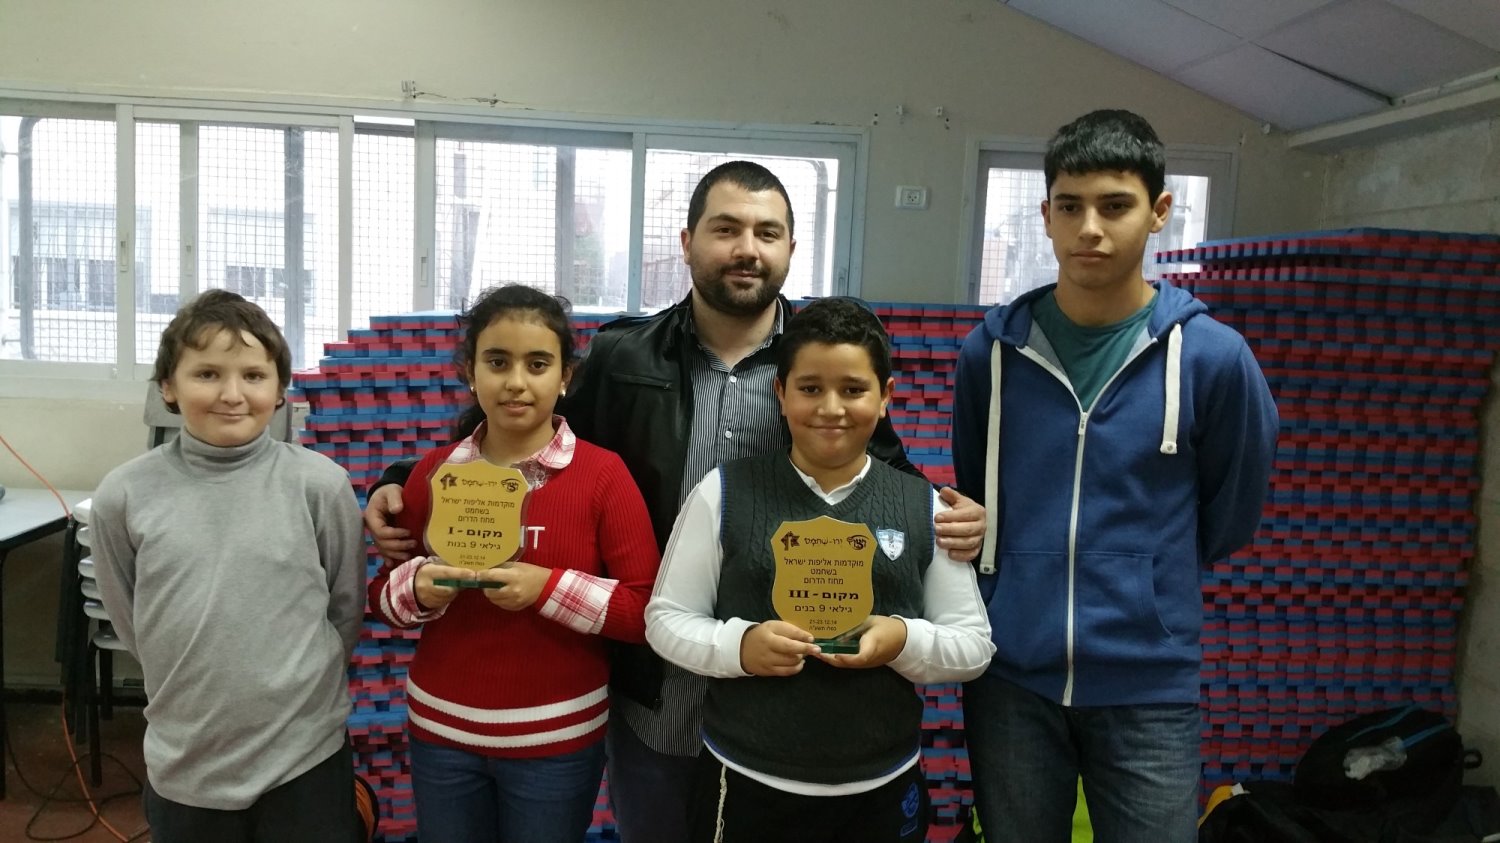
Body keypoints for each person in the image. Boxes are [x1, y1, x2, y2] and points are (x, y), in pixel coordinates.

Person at [364, 160, 988, 842]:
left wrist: (951, 513)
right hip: (658, 681)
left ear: (790, 248)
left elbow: (884, 471)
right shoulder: (622, 357)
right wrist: (403, 476)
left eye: (766, 232)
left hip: (782, 687)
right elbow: (524, 435)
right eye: (726, 229)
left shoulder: (821, 365)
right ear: (688, 242)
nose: (747, 248)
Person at [951, 109, 1279, 843]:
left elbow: (1231, 510)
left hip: (1148, 684)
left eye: (1115, 205)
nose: (1090, 229)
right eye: (1070, 207)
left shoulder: (1214, 358)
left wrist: (1148, 580)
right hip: (1012, 679)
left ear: (1159, 211)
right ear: (1046, 215)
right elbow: (980, 489)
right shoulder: (992, 355)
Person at [646, 297, 994, 842]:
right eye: (810, 388)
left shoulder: (922, 506)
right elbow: (666, 619)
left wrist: (902, 640)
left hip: (881, 784)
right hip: (747, 779)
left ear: (886, 397)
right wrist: (741, 647)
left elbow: (973, 646)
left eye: (853, 390)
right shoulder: (724, 492)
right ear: (780, 393)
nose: (831, 408)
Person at [365, 284, 660, 842]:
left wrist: (545, 589)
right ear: (470, 372)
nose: (516, 382)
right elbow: (383, 600)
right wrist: (418, 587)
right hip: (441, 736)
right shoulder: (432, 474)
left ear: (566, 376)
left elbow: (644, 611)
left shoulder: (603, 477)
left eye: (538, 364)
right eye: (497, 362)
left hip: (556, 743)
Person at [90, 289, 365, 843]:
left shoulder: (320, 485)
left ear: (280, 389)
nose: (232, 395)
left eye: (254, 376)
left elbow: (344, 609)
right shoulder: (124, 495)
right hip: (187, 761)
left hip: (305, 759)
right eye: (208, 374)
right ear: (168, 386)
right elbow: (131, 616)